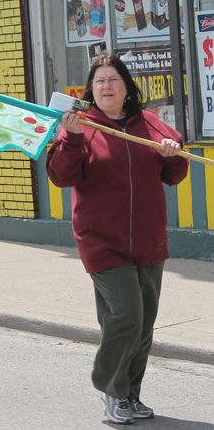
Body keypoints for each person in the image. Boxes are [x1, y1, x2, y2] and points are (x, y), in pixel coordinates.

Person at [46, 54, 189, 424]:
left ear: (127, 87)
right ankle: (111, 387)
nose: (106, 86)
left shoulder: (149, 124)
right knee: (126, 314)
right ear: (90, 90)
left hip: (149, 240)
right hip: (101, 240)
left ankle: (129, 395)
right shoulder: (80, 126)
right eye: (99, 81)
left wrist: (172, 155)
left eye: (113, 79)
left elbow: (175, 174)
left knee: (143, 324)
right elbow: (61, 177)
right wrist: (74, 138)